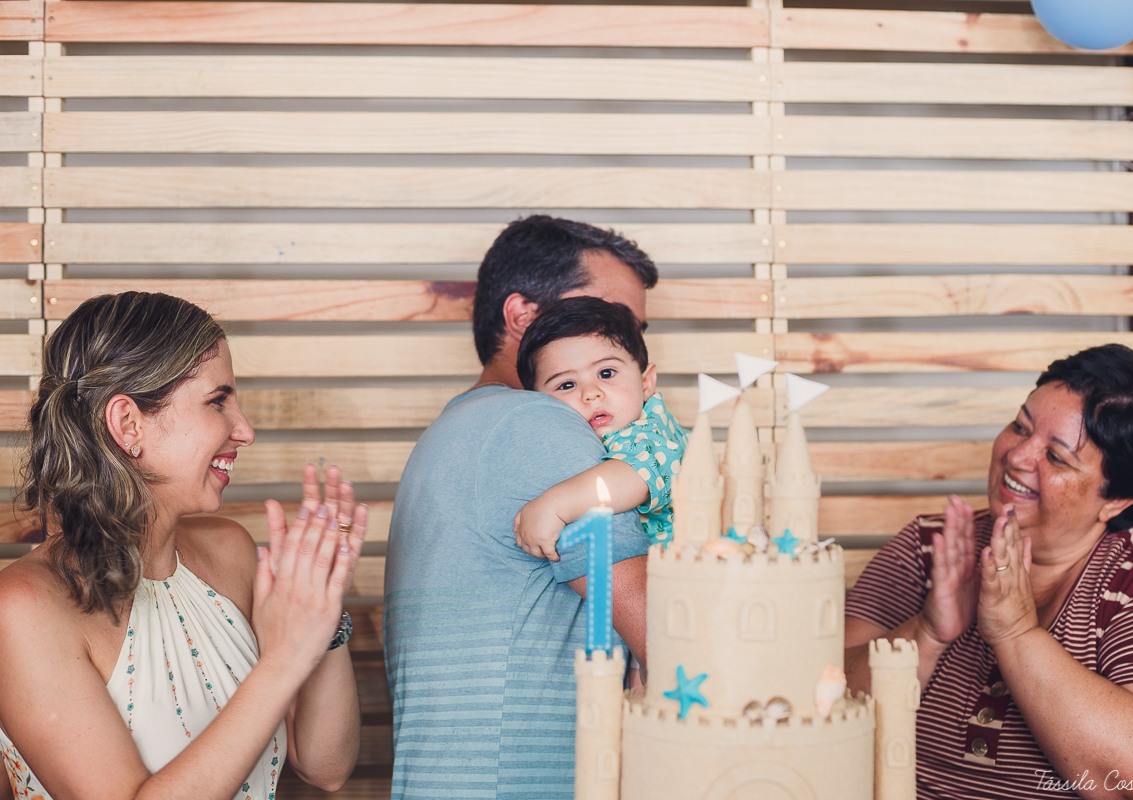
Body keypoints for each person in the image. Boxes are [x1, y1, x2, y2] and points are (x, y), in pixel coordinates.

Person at [0, 292, 368, 800]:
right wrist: (281, 662)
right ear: (128, 423)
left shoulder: (230, 553)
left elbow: (325, 766)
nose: (245, 430)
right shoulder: (22, 608)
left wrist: (323, 612)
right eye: (218, 401)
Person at [843, 344, 1133, 799]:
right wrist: (927, 634)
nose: (1016, 456)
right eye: (1019, 426)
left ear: (1117, 500)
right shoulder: (929, 547)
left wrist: (1015, 634)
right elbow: (819, 699)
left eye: (1056, 457)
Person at [384, 216, 658, 799]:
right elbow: (667, 632)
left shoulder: (457, 429)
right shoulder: (537, 425)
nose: (624, 341)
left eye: (633, 331)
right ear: (523, 317)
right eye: (609, 317)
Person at [513, 296, 687, 560]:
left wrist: (554, 506)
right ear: (537, 403)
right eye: (567, 385)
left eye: (606, 373)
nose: (591, 393)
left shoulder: (650, 431)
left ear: (646, 382)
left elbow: (636, 475)